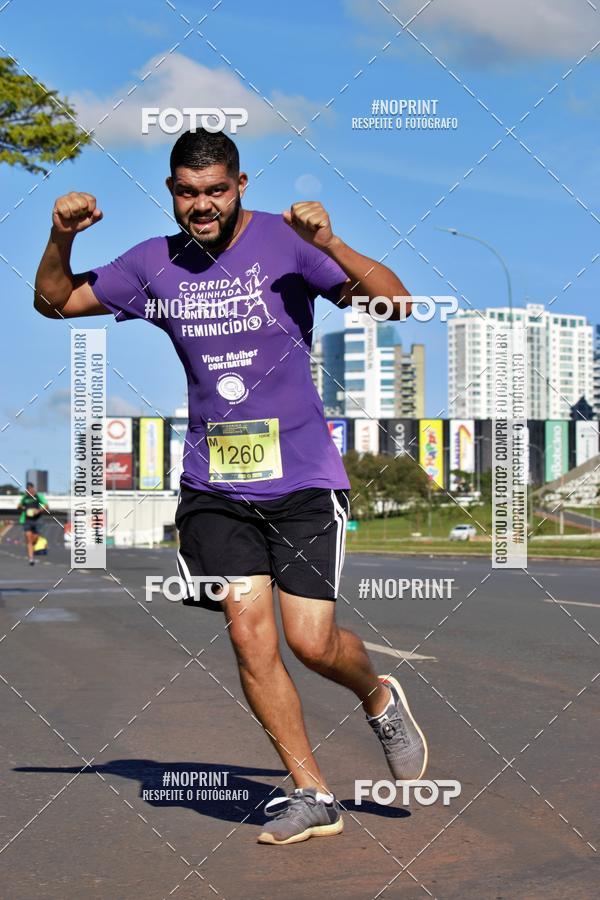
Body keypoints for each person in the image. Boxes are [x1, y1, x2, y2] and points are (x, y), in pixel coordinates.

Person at [33, 129, 428, 845]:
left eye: (216, 190)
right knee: (250, 637)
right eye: (188, 192)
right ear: (173, 193)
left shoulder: (288, 241)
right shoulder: (155, 262)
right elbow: (55, 303)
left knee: (311, 643)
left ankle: (376, 693)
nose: (202, 204)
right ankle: (312, 793)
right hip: (215, 485)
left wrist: (333, 245)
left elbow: (396, 306)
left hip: (303, 478)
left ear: (241, 185)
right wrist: (60, 237)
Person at [17, 481, 48, 565]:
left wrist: (38, 511)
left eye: (30, 489)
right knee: (29, 538)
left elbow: (46, 505)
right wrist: (22, 507)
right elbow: (19, 505)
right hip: (27, 520)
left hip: (37, 520)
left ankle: (33, 545)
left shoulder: (38, 496)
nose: (29, 491)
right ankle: (31, 558)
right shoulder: (25, 497)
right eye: (27, 490)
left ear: (33, 489)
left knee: (35, 538)